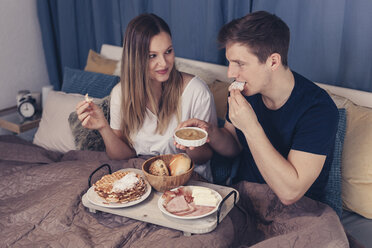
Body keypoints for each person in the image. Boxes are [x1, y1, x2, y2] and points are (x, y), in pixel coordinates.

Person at [176, 11, 338, 204]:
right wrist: (209, 132)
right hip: (246, 198)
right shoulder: (245, 92)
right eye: (230, 62)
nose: (230, 73)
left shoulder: (318, 109)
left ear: (273, 61)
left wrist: (251, 127)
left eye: (240, 64)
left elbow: (290, 193)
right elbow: (234, 145)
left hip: (300, 211)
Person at [76, 13, 217, 181]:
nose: (164, 63)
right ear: (136, 59)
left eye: (168, 51)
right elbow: (123, 156)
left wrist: (190, 145)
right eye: (152, 56)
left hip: (188, 180)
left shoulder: (196, 91)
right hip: (142, 179)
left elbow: (205, 156)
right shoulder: (120, 93)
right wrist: (103, 127)